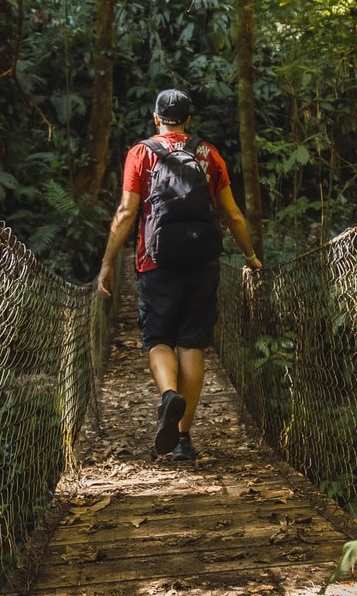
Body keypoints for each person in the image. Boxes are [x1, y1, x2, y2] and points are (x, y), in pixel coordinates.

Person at [97, 88, 263, 461]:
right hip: (203, 263)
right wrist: (250, 256)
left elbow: (126, 213)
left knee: (158, 340)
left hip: (156, 263)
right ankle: (184, 440)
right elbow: (232, 214)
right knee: (192, 345)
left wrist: (107, 262)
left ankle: (168, 393)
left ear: (156, 117)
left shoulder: (141, 153)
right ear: (188, 119)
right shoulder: (208, 153)